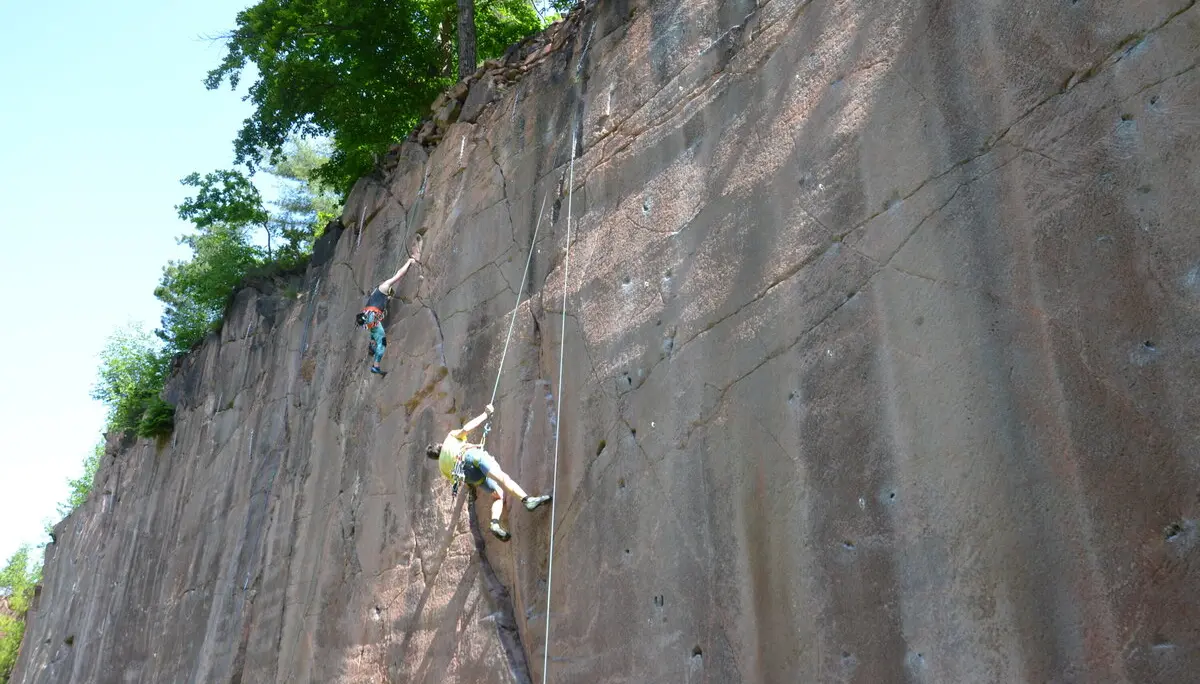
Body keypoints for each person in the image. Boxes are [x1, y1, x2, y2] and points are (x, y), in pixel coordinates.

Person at [427, 403, 552, 541]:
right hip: (470, 457)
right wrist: (485, 415)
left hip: (470, 476)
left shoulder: (442, 468)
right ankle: (527, 500)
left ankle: (494, 523)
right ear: (439, 446)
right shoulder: (449, 439)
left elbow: (459, 480)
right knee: (503, 477)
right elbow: (465, 429)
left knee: (498, 495)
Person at [356, 238, 422, 375]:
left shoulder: (378, 293)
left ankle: (372, 345)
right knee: (383, 342)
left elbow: (390, 296)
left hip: (369, 317)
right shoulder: (385, 286)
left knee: (376, 331)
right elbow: (399, 274)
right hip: (372, 316)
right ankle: (376, 365)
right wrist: (409, 262)